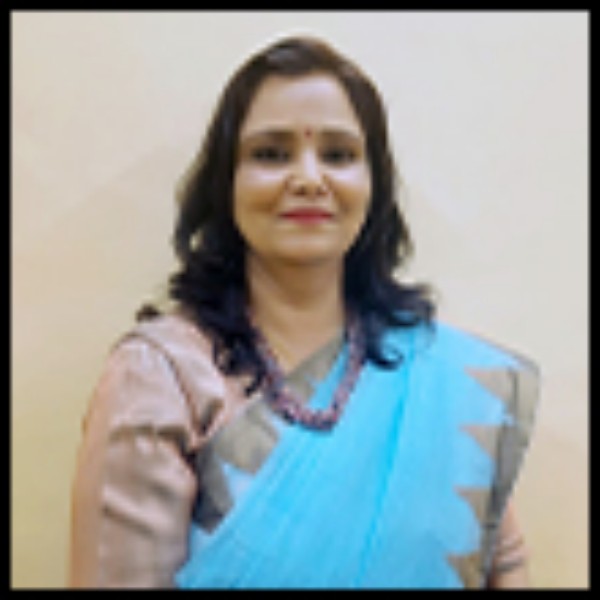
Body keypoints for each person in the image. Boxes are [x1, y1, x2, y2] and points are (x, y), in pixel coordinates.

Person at [69, 35, 539, 589]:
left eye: (338, 155)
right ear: (226, 183)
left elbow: (502, 566)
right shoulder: (162, 378)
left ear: (373, 183)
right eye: (271, 153)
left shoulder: (444, 379)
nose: (310, 179)